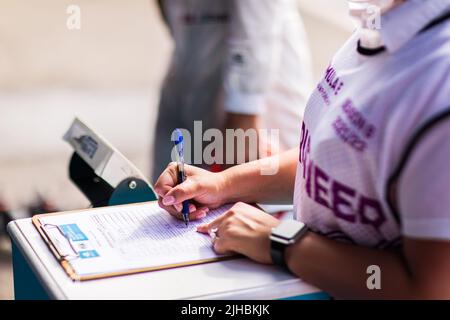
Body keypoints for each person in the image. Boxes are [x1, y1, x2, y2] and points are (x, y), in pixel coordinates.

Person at [155, 0, 450, 299]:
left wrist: (283, 242)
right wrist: (224, 185)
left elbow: (427, 290)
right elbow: (336, 161)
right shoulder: (381, 19)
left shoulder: (438, 84)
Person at [152, 0, 312, 181]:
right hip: (188, 69)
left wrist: (244, 113)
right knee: (172, 192)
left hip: (254, 88)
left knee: (254, 192)